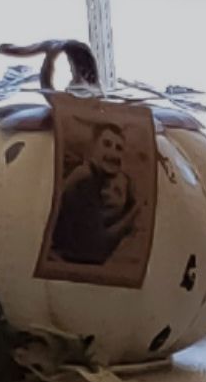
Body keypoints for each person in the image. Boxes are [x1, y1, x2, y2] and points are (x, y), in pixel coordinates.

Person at [47, 113, 140, 267]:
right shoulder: (84, 179)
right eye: (107, 144)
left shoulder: (96, 180)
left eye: (118, 148)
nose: (113, 153)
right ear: (92, 149)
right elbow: (96, 250)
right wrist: (135, 212)